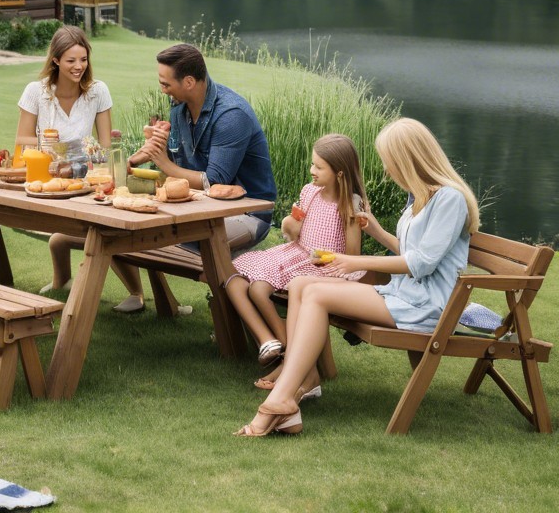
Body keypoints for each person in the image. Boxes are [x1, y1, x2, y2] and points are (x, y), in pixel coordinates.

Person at [235, 117, 480, 437]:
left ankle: (282, 399)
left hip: (427, 305)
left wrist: (352, 261)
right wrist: (377, 232)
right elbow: (413, 252)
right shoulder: (420, 198)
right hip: (403, 295)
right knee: (301, 284)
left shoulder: (449, 199)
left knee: (315, 294)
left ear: (408, 159)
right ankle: (299, 386)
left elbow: (421, 264)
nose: (387, 169)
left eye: (389, 161)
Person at [14, 25, 144, 311]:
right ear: (55, 60)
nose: (78, 66)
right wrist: (50, 145)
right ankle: (62, 281)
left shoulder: (97, 91)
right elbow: (22, 141)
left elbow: (105, 148)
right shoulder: (36, 92)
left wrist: (78, 163)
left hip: (84, 178)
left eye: (83, 59)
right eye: (71, 60)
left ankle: (137, 293)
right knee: (59, 239)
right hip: (46, 178)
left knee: (105, 231)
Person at [225, 134, 367, 368]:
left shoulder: (350, 204)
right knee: (233, 278)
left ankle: (283, 343)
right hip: (295, 252)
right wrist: (290, 224)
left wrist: (325, 257)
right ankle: (270, 340)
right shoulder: (310, 191)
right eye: (312, 164)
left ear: (340, 173)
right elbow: (294, 231)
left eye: (319, 167)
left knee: (258, 289)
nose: (312, 170)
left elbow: (352, 256)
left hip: (323, 266)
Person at [127, 43, 277, 252]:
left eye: (166, 84)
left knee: (158, 240)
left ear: (189, 82)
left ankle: (220, 272)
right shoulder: (179, 106)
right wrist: (142, 155)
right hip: (200, 207)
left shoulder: (231, 115)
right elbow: (179, 161)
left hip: (246, 214)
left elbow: (212, 181)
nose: (163, 90)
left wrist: (163, 162)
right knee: (126, 236)